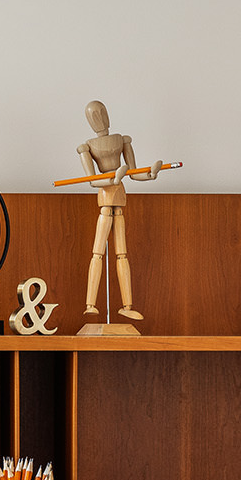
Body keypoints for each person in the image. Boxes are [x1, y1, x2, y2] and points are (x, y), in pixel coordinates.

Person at [75, 100, 163, 332]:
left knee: (122, 254)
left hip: (119, 200)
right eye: (94, 115)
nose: (99, 118)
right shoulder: (87, 147)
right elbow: (93, 180)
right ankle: (90, 304)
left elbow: (133, 173)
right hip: (105, 199)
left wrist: (151, 174)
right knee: (97, 252)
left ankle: (126, 305)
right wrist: (113, 179)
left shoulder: (121, 140)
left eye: (101, 113)